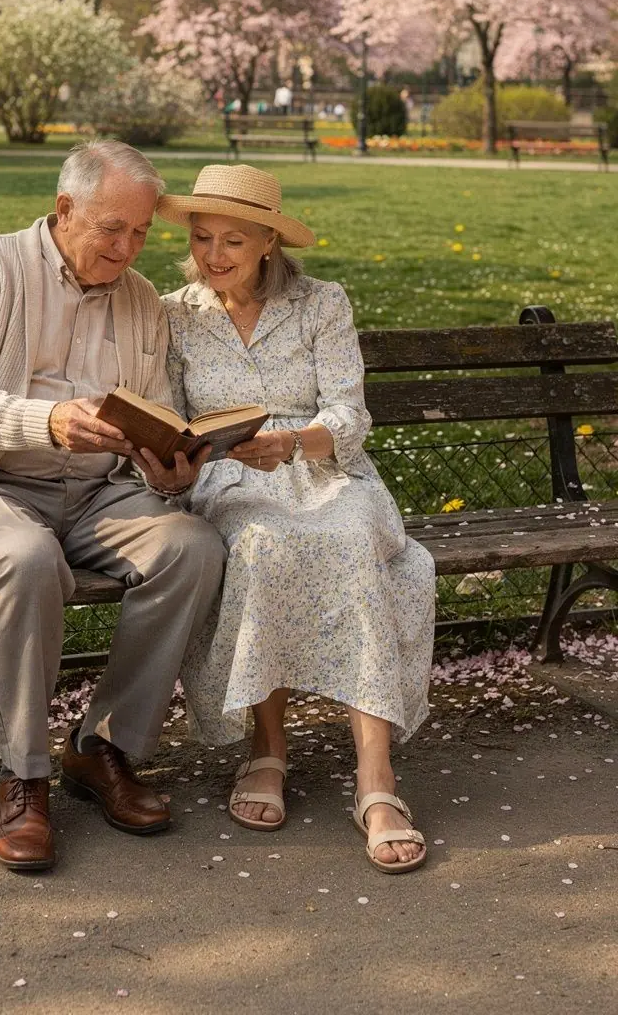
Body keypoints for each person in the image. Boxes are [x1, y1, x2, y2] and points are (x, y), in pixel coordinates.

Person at [0, 141, 223, 873]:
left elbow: (157, 410)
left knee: (192, 546)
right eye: (112, 228)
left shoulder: (142, 299)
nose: (127, 247)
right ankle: (24, 776)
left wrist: (169, 466)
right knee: (25, 556)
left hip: (97, 494)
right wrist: (44, 422)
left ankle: (101, 748)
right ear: (63, 209)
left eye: (142, 233)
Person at [157, 165, 435, 873]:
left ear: (269, 243)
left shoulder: (321, 304)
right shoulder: (173, 313)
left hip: (324, 469)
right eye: (202, 238)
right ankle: (267, 749)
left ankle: (376, 779)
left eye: (233, 241)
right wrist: (178, 457)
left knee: (346, 541)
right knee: (261, 545)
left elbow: (350, 412)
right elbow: (167, 418)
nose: (214, 255)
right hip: (226, 478)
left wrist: (294, 442)